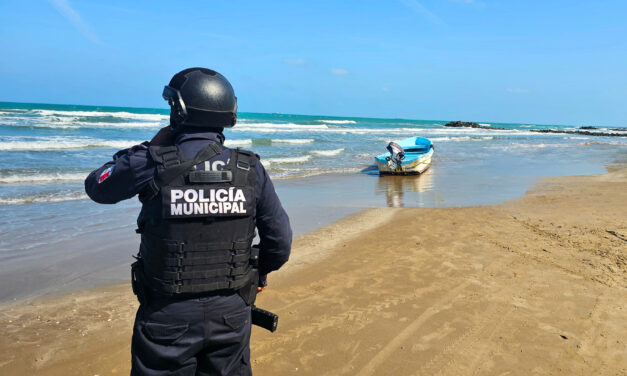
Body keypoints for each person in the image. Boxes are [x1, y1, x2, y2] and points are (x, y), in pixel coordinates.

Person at [85, 67, 292, 376]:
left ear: (178, 110)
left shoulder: (152, 160)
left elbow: (98, 186)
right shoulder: (250, 169)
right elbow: (280, 242)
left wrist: (147, 147)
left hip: (167, 316)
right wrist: (257, 274)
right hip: (231, 311)